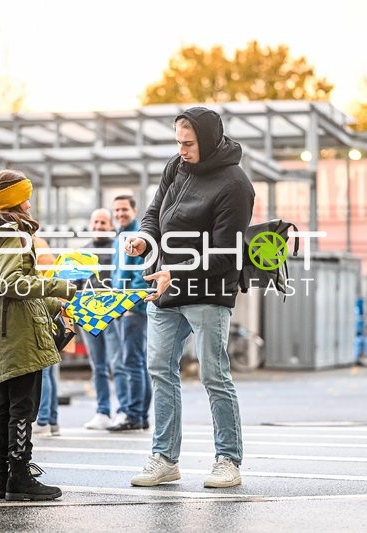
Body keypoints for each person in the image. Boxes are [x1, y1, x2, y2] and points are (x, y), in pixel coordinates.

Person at [124, 107, 254, 489]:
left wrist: (175, 272)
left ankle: (228, 460)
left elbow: (228, 253)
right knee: (160, 370)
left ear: (209, 140)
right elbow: (153, 213)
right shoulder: (174, 167)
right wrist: (145, 239)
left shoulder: (235, 184)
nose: (182, 149)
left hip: (209, 292)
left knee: (214, 375)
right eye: (178, 142)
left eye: (189, 143)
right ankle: (165, 458)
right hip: (165, 290)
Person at [0, 170, 76, 501]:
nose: (30, 203)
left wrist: (49, 301)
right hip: (17, 329)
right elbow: (11, 282)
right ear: (19, 200)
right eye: (26, 196)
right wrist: (60, 285)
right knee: (22, 407)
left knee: (4, 405)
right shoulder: (11, 232)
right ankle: (19, 474)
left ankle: (5, 478)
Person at [107, 195, 152, 432]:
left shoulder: (137, 236)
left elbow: (139, 274)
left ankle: (134, 414)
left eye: (124, 209)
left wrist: (129, 305)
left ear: (134, 210)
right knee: (135, 362)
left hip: (132, 308)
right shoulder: (120, 235)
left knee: (132, 362)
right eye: (117, 209)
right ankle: (139, 415)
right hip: (123, 306)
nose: (120, 213)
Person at [79, 208, 126, 430]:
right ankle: (102, 412)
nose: (98, 226)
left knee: (118, 364)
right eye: (95, 222)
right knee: (98, 366)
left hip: (114, 315)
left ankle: (123, 411)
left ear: (111, 226)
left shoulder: (119, 249)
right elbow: (75, 284)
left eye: (103, 222)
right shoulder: (83, 252)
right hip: (89, 316)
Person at [33, 235, 61, 437]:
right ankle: (50, 419)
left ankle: (43, 419)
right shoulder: (40, 243)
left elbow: (43, 280)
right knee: (49, 369)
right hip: (49, 308)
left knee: (44, 370)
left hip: (42, 309)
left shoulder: (33, 245)